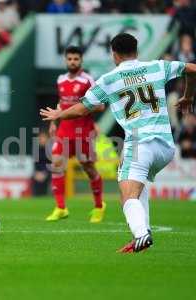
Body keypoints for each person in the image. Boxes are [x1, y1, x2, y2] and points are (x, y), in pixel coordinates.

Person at [40, 33, 196, 253]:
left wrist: (59, 115)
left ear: (114, 54)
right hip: (166, 146)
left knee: (127, 195)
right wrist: (189, 96)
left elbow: (83, 108)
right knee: (138, 186)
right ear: (137, 51)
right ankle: (142, 234)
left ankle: (141, 234)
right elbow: (191, 68)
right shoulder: (157, 66)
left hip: (141, 144)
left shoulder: (109, 79)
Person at [46, 46, 106, 223]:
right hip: (64, 130)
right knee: (57, 164)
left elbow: (101, 104)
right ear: (66, 60)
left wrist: (83, 109)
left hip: (83, 132)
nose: (72, 62)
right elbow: (61, 103)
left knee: (89, 169)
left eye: (76, 59)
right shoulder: (60, 79)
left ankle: (98, 206)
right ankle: (60, 208)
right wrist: (52, 122)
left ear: (81, 61)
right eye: (70, 59)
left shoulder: (88, 80)